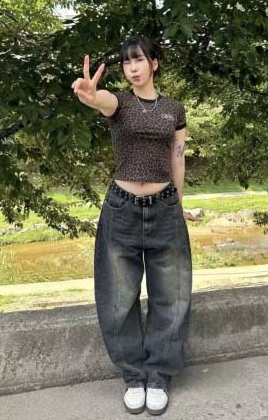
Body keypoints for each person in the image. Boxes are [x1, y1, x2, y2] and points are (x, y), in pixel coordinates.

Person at [71, 36, 192, 416]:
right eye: (126, 62)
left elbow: (177, 158)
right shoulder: (120, 103)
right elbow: (103, 100)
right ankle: (134, 376)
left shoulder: (174, 109)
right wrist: (91, 95)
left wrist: (178, 205)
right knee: (118, 297)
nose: (132, 67)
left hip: (164, 207)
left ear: (154, 63)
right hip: (121, 209)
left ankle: (158, 377)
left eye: (139, 60)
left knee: (171, 297)